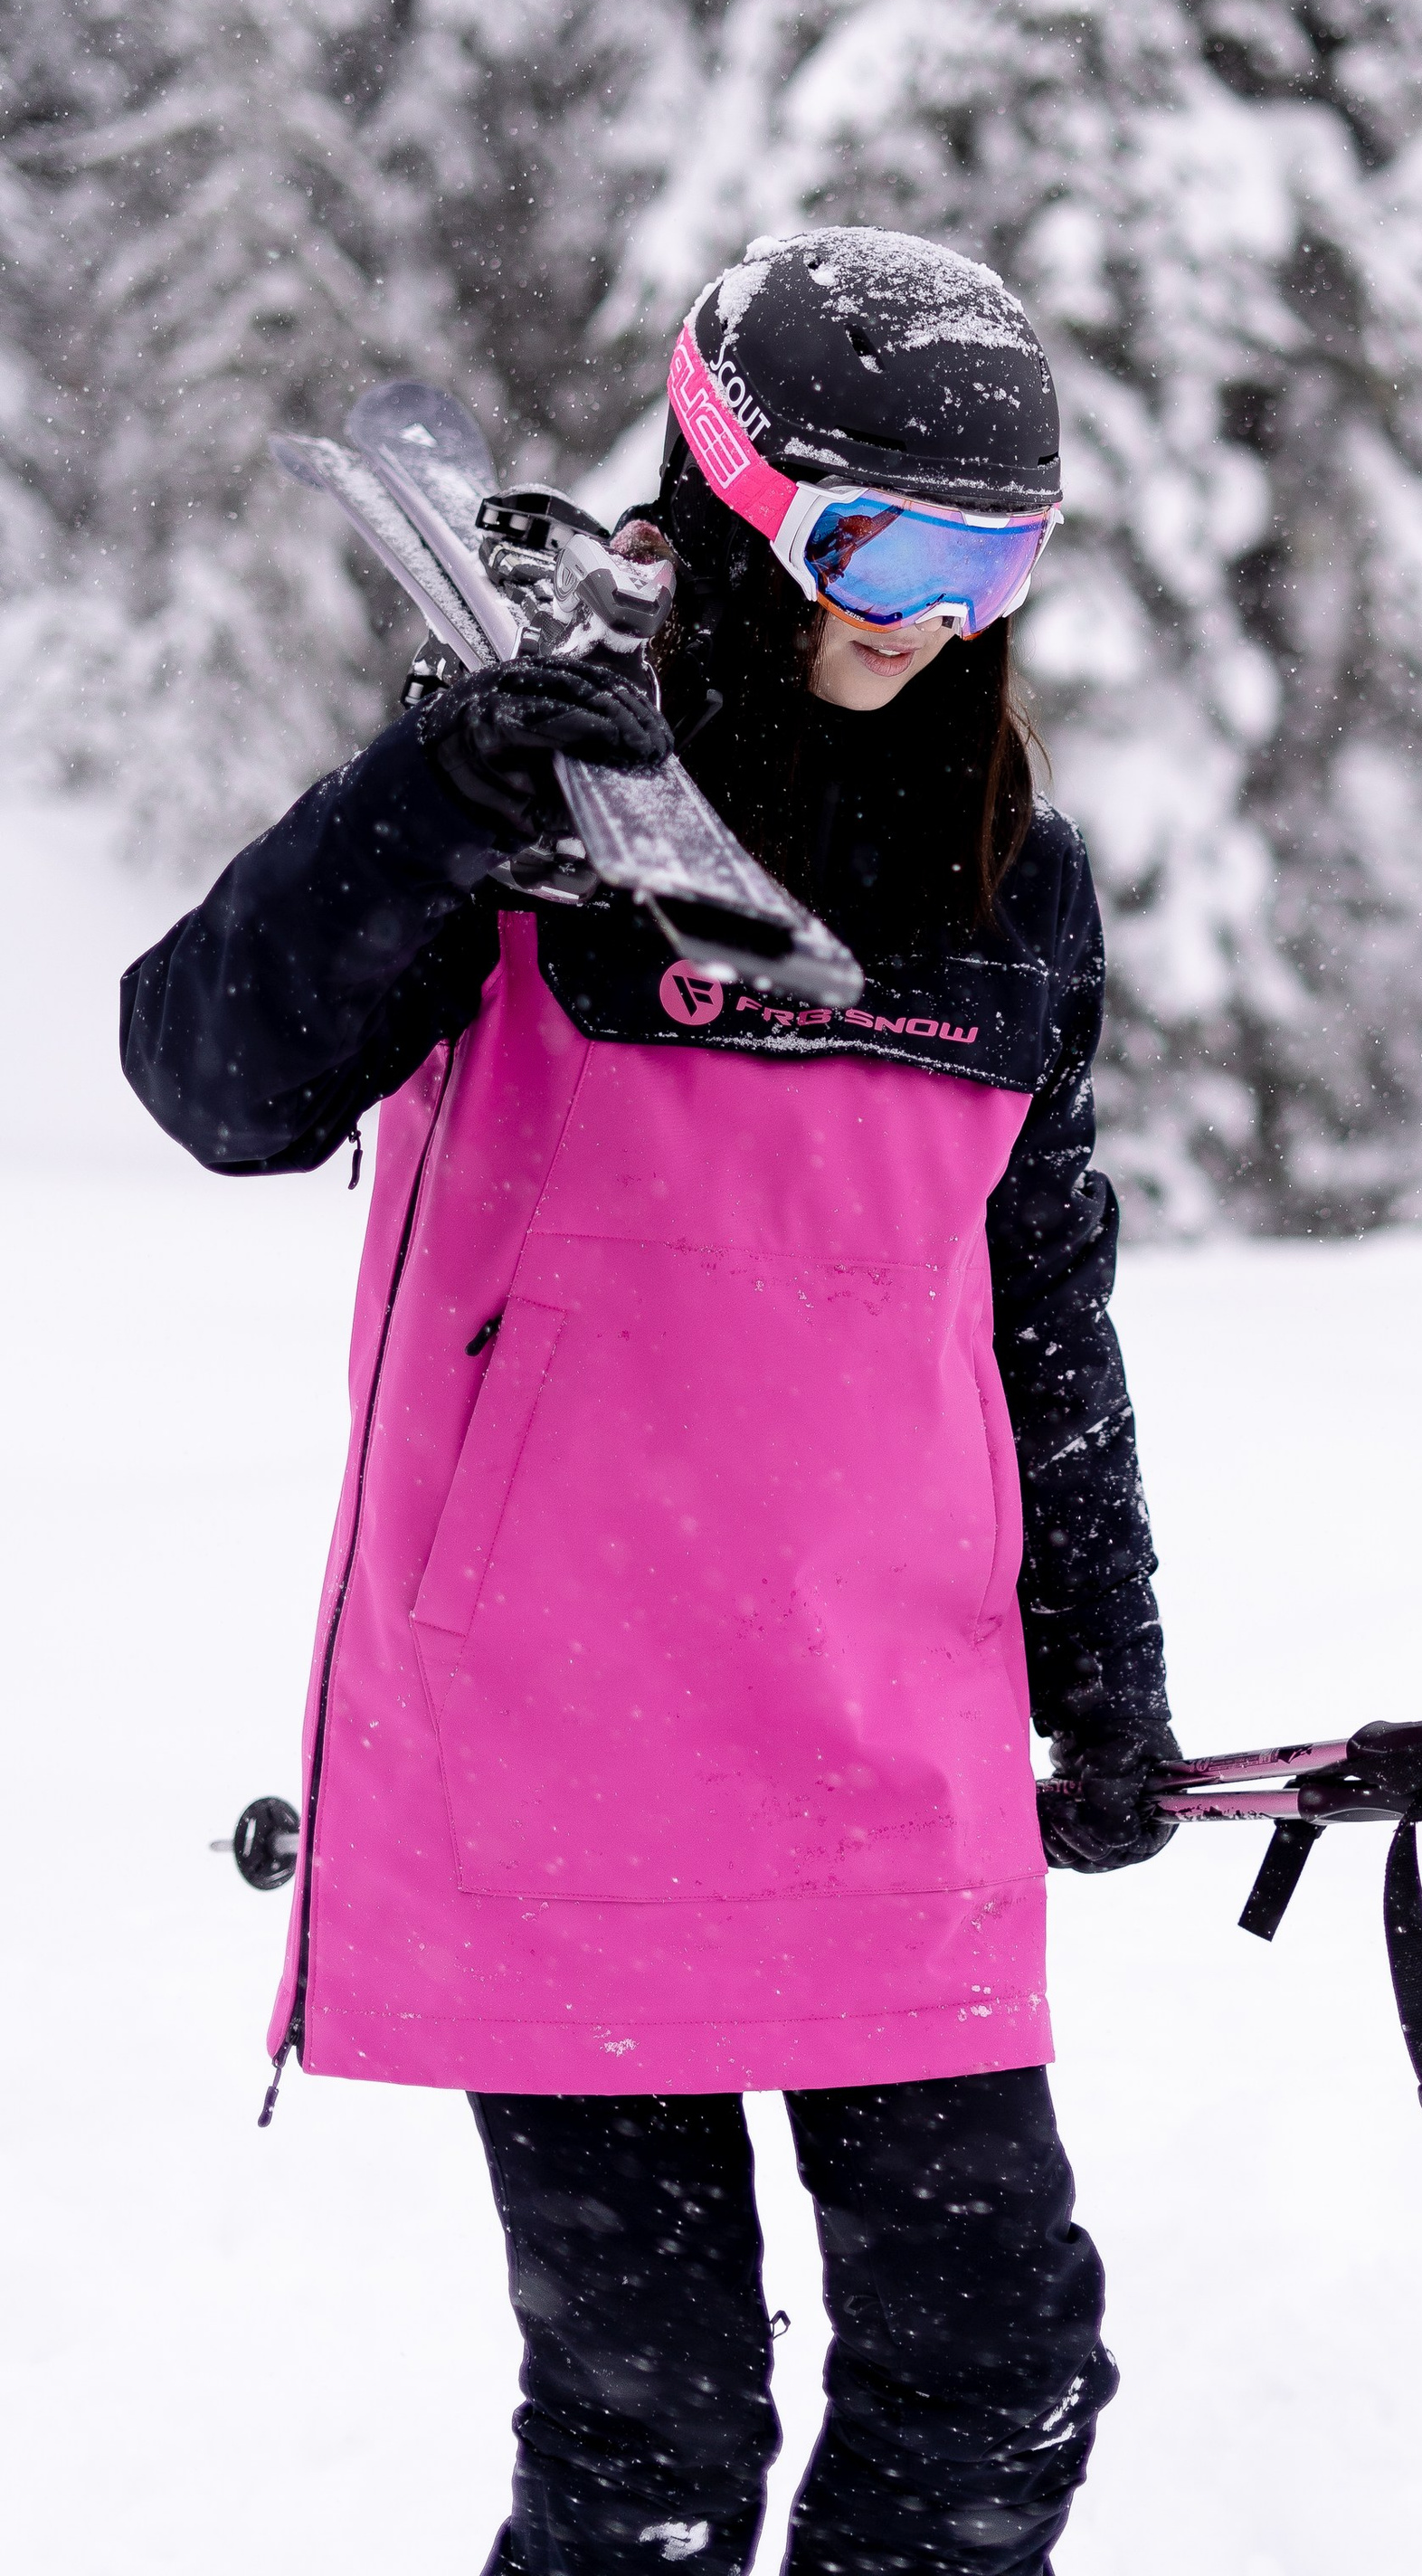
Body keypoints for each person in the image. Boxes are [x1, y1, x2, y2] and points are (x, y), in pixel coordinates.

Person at [121, 230, 1180, 2576]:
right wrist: (437, 794)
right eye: (886, 544)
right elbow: (209, 1074)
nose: (933, 613)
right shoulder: (523, 822)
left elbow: (1039, 1301)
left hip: (877, 1730)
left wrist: (1106, 1668)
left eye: (995, 557)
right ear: (733, 496)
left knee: (999, 2381)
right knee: (658, 2447)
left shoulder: (1013, 893)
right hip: (555, 1737)